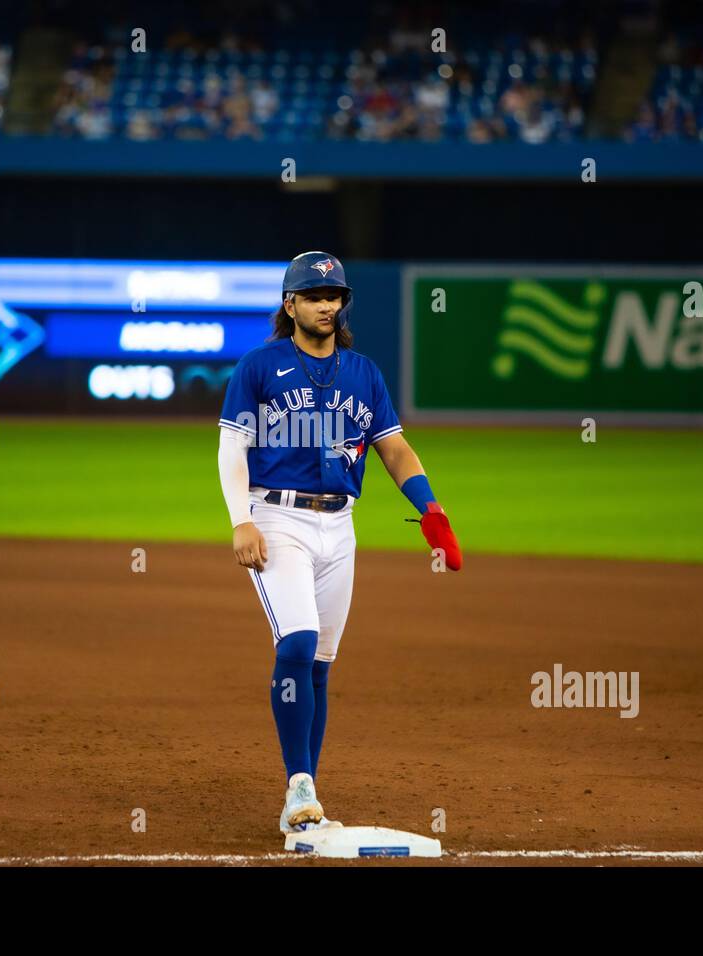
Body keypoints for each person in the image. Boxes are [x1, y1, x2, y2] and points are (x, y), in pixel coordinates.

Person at [217, 251, 462, 834]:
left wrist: (430, 508)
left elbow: (394, 449)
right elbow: (232, 448)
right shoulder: (259, 366)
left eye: (335, 297)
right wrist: (240, 520)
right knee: (297, 644)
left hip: (339, 526)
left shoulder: (364, 373)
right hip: (277, 521)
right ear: (290, 304)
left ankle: (308, 795)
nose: (328, 305)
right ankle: (297, 784)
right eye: (315, 296)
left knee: (321, 664)